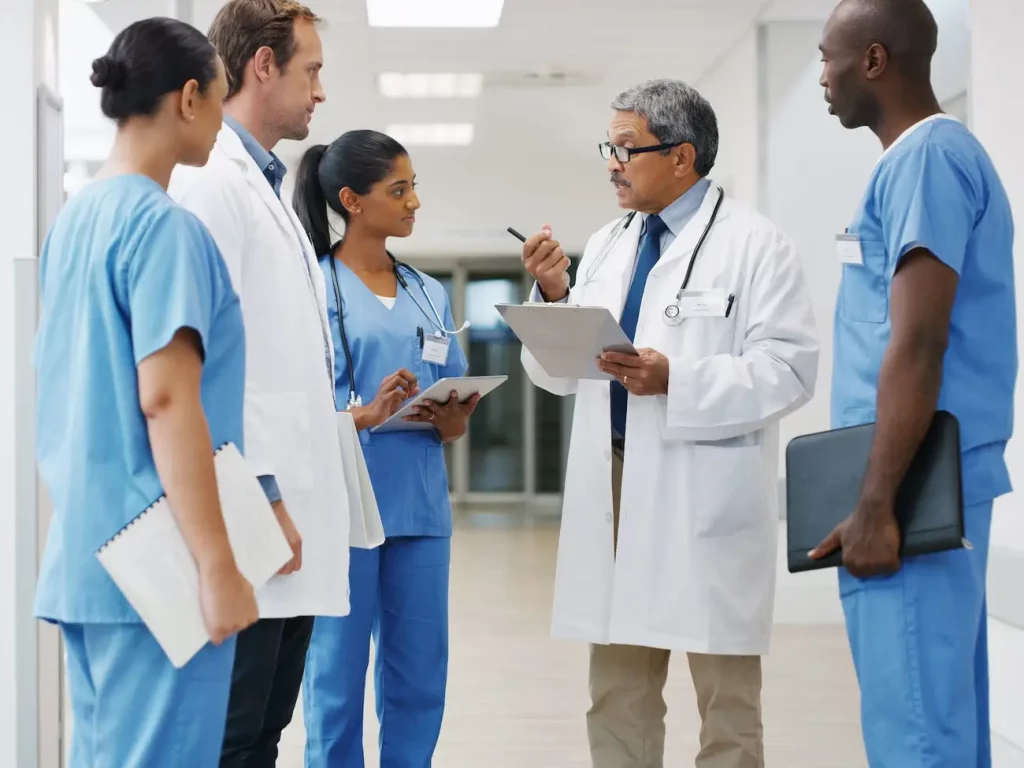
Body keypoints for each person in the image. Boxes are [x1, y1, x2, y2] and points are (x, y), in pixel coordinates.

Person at [519, 78, 819, 768]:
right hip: (616, 479)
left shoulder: (755, 244)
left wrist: (677, 379)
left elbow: (790, 368)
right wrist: (555, 299)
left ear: (681, 157)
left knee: (727, 704)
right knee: (617, 692)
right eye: (609, 147)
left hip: (703, 486)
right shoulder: (606, 243)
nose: (611, 163)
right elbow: (564, 372)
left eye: (625, 148)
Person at [32, 17, 258, 767]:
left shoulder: (75, 222)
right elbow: (166, 402)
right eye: (223, 103)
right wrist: (219, 565)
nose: (223, 123)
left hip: (87, 557)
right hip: (160, 568)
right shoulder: (164, 229)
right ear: (189, 98)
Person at [810, 1, 1016, 765]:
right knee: (942, 723)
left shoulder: (928, 159)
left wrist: (876, 504)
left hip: (912, 490)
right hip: (930, 479)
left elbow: (920, 341)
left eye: (828, 58)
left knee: (917, 733)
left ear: (873, 60)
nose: (821, 78)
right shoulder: (924, 161)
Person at [167, 2, 352, 765]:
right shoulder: (214, 186)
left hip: (281, 518)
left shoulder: (263, 187)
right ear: (263, 66)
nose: (320, 92)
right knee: (234, 735)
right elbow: (198, 363)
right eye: (311, 71)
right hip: (252, 513)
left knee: (262, 732)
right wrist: (265, 491)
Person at [292, 129, 475, 766]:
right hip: (346, 511)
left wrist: (452, 419)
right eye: (399, 190)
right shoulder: (311, 288)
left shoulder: (428, 291)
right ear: (352, 199)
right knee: (336, 681)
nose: (414, 201)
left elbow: (451, 388)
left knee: (419, 678)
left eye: (414, 186)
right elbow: (291, 405)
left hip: (420, 510)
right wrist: (363, 413)